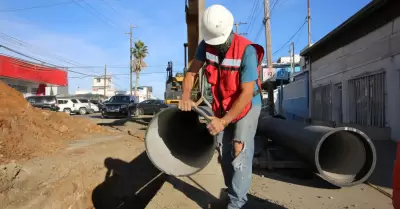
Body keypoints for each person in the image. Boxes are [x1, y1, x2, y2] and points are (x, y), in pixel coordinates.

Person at [178, 4, 264, 209]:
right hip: (223, 103)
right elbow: (191, 73)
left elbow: (245, 94)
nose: (215, 46)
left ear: (229, 31)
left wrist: (224, 121)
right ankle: (232, 189)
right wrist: (186, 95)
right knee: (224, 150)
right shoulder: (205, 45)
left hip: (247, 103)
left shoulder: (247, 51)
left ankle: (236, 204)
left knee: (238, 148)